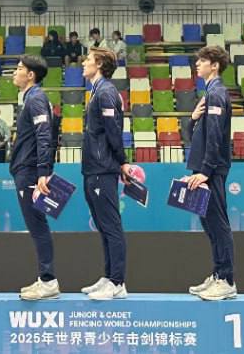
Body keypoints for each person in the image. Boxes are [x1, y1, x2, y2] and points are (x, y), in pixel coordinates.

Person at [81, 45, 135, 301]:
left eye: (88, 59)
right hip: (93, 167)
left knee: (111, 226)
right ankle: (108, 276)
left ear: (100, 65)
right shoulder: (96, 91)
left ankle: (117, 282)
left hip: (103, 168)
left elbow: (114, 131)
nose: (83, 62)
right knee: (103, 226)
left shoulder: (106, 92)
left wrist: (122, 162)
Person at [184, 44, 237, 301]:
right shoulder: (208, 93)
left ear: (214, 66)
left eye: (202, 61)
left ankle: (226, 280)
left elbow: (215, 136)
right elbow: (196, 135)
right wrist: (193, 119)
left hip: (212, 170)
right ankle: (218, 274)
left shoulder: (217, 93)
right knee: (209, 225)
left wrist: (205, 171)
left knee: (218, 224)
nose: (197, 64)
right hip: (204, 168)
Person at [10, 55, 57, 301]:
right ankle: (45, 279)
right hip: (27, 169)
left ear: (30, 75)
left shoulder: (36, 98)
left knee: (38, 227)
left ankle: (48, 281)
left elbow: (44, 135)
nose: (14, 72)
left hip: (30, 171)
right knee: (36, 226)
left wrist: (42, 172)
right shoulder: (31, 98)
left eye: (19, 69)